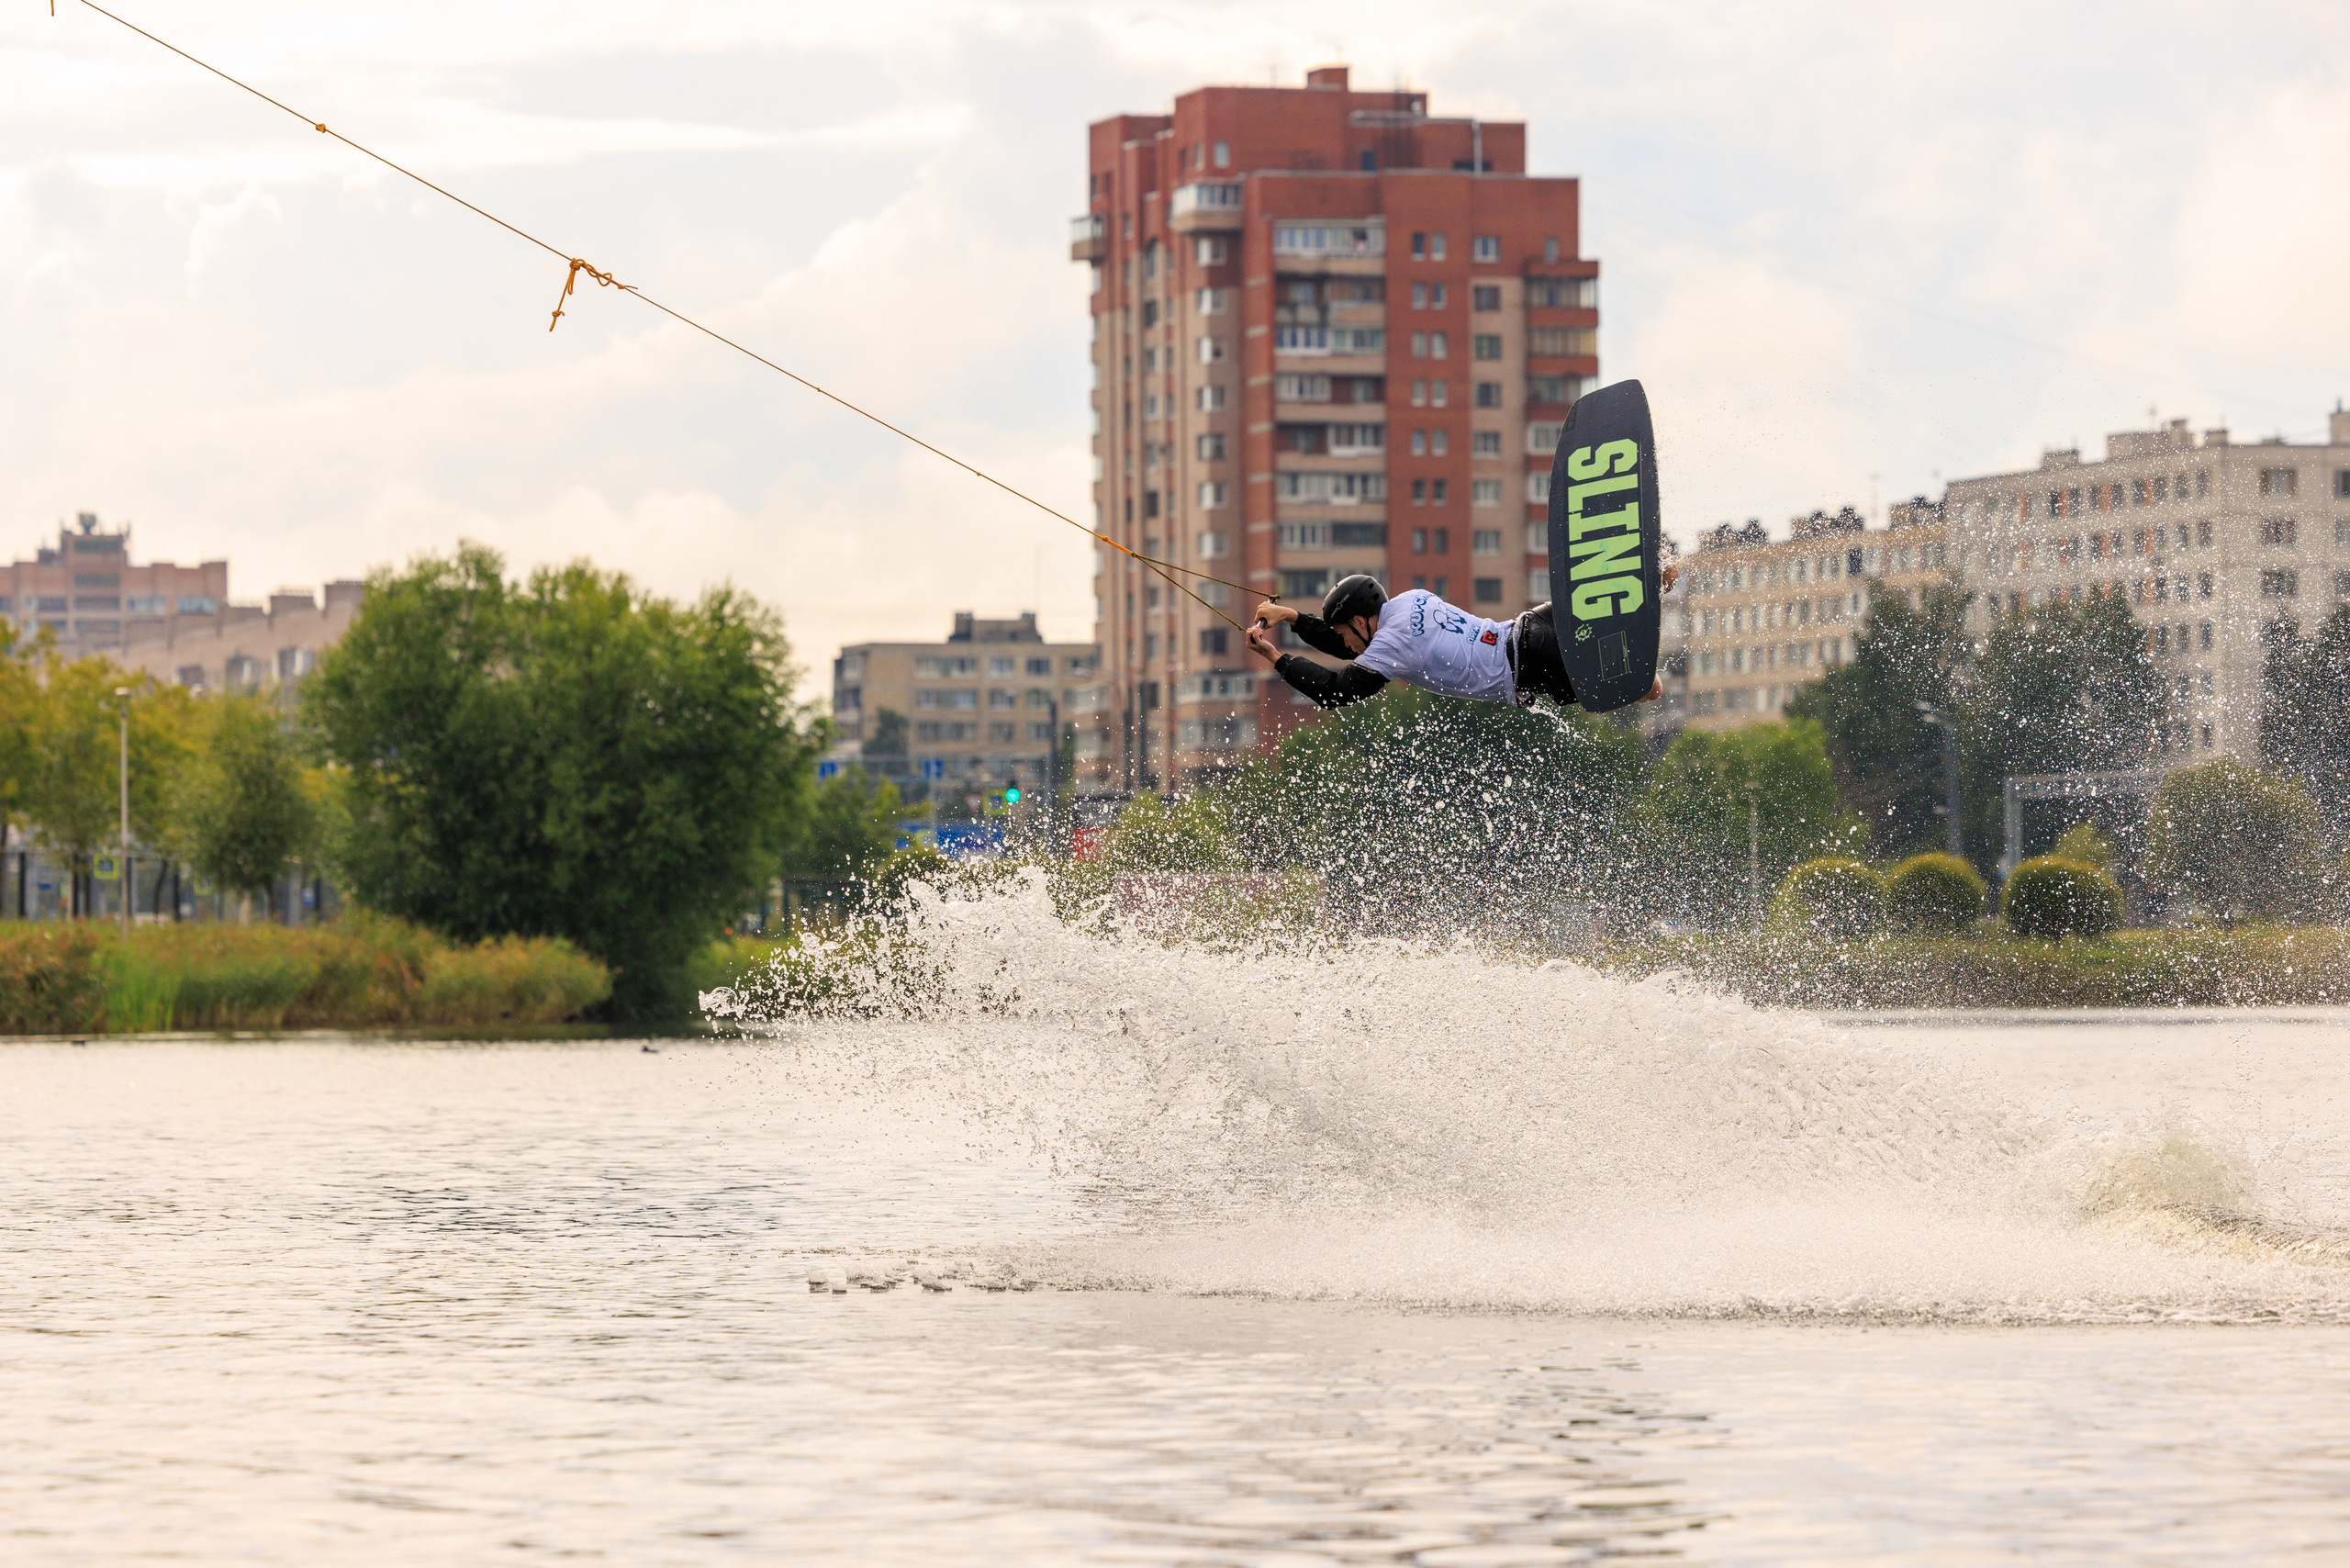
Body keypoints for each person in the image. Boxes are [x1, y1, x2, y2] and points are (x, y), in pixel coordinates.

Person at [1244, 567, 1678, 711]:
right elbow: (1349, 649)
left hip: (1532, 666)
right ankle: (1652, 582)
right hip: (1529, 627)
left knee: (1648, 689)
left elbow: (1338, 690)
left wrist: (1277, 658)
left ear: (1360, 621)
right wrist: (1292, 617)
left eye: (1347, 634)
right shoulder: (1408, 600)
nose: (1351, 647)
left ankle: (1641, 622)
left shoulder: (1390, 645)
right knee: (1605, 622)